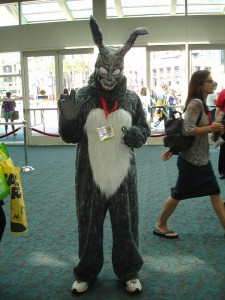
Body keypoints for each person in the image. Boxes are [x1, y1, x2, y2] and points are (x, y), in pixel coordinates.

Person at [58, 16, 150, 294]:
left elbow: (144, 130)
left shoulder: (132, 99)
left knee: (126, 226)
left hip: (123, 177)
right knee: (89, 228)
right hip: (90, 176)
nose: (109, 78)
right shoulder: (84, 96)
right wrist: (67, 118)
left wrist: (137, 134)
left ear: (123, 70)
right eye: (104, 70)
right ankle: (86, 272)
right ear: (96, 66)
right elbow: (70, 137)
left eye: (115, 72)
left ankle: (129, 271)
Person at [153, 70, 225, 239]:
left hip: (200, 159)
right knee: (178, 193)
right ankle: (161, 224)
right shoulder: (196, 104)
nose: (212, 83)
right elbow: (187, 130)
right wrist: (211, 128)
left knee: (214, 193)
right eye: (209, 81)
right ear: (200, 84)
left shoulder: (200, 103)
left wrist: (214, 127)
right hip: (193, 161)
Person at [215, 88, 225, 179]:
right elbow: (219, 109)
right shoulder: (223, 92)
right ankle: (222, 171)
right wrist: (218, 124)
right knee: (224, 147)